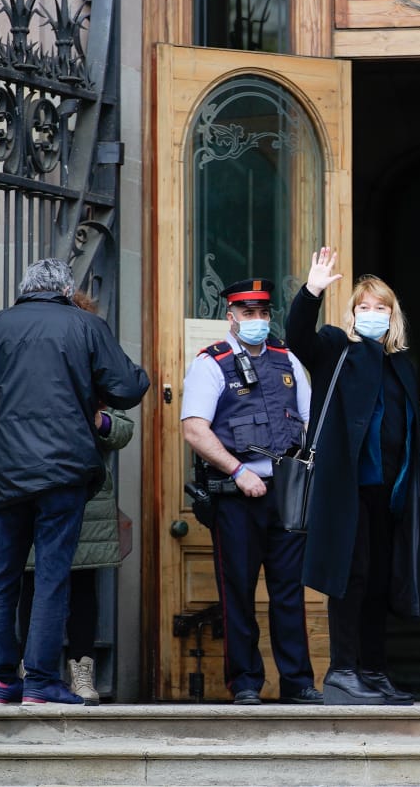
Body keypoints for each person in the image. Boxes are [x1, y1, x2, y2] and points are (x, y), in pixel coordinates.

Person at [0, 258, 150, 706]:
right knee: (51, 576)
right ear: (67, 289)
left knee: (0, 578)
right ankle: (41, 681)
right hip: (64, 471)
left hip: (5, 471)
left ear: (24, 287)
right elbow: (128, 388)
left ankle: (0, 680)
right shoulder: (85, 325)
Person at [284, 248, 420, 705]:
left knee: (383, 580)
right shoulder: (336, 349)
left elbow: (409, 432)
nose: (371, 314)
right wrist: (311, 291)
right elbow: (296, 338)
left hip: (392, 491)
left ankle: (373, 670)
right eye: (363, 307)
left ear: (393, 316)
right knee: (352, 576)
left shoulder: (402, 365)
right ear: (351, 314)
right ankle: (343, 671)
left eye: (380, 308)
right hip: (347, 490)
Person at [180, 278, 322, 705]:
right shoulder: (211, 362)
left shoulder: (287, 360)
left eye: (263, 313)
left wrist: (305, 472)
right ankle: (245, 682)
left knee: (288, 592)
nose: (257, 320)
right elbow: (194, 430)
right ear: (231, 316)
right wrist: (238, 470)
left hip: (285, 493)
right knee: (237, 591)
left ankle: (298, 683)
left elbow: (309, 422)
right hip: (236, 495)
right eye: (248, 313)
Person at [18, 290, 136, 705]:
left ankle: (81, 671)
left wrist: (97, 419)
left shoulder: (98, 367)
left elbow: (123, 429)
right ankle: (30, 668)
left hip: (89, 498)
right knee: (32, 585)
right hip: (39, 487)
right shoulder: (33, 369)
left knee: (83, 589)